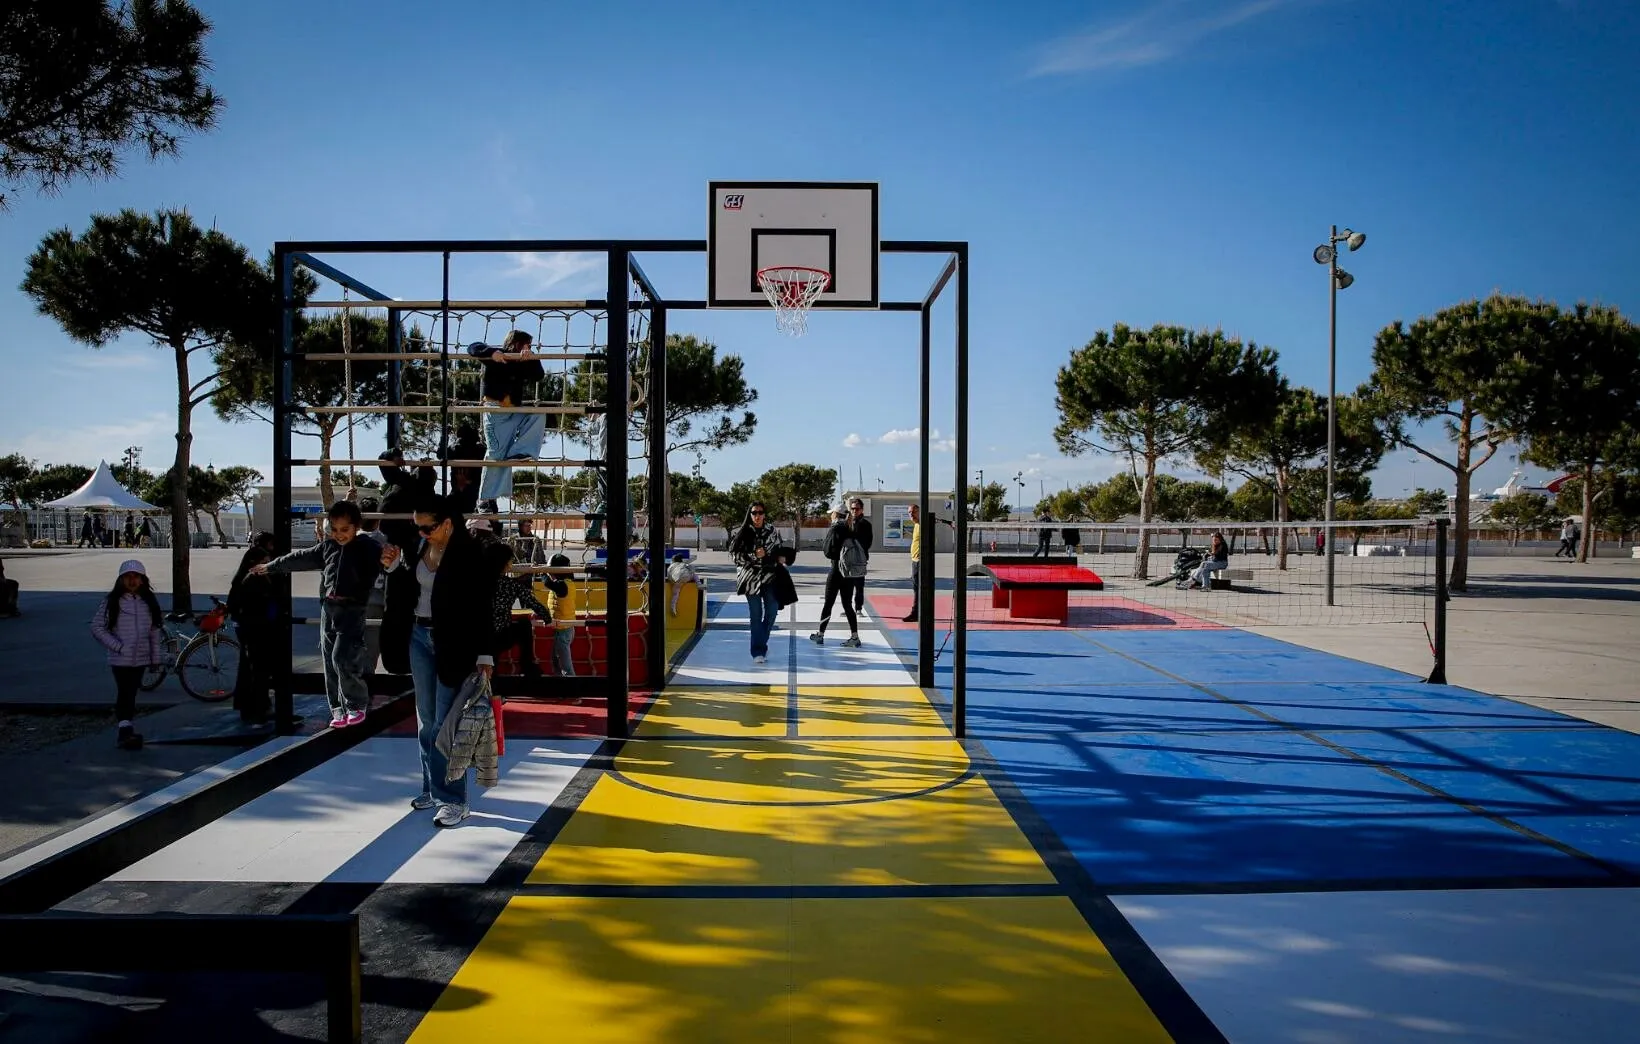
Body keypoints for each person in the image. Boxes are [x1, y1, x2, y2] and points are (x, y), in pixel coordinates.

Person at [381, 494, 497, 827]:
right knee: (426, 719)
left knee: (445, 724)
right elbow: (408, 587)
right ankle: (432, 789)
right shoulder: (418, 546)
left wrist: (485, 653)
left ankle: (454, 800)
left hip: (455, 643)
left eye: (427, 527)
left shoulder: (470, 553)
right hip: (419, 636)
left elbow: (482, 606)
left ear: (447, 523)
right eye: (417, 527)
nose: (421, 533)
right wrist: (393, 567)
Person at [254, 501, 381, 728]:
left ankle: (356, 704)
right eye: (335, 529)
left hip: (352, 609)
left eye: (345, 529)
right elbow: (299, 558)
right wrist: (271, 566)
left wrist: (389, 561)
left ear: (356, 527)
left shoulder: (367, 546)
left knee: (342, 657)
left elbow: (387, 563)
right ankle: (338, 709)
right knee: (329, 660)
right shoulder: (328, 547)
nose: (339, 535)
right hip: (328, 608)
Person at [89, 559, 165, 750]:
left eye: (136, 576)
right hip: (120, 658)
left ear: (143, 579)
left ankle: (127, 729)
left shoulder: (149, 602)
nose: (132, 581)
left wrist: (155, 658)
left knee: (131, 692)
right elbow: (97, 627)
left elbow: (154, 631)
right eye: (128, 577)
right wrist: (117, 646)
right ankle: (125, 731)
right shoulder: (112, 601)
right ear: (120, 579)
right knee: (126, 691)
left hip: (141, 657)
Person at [468, 331, 545, 511]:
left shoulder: (523, 361)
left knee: (539, 413)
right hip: (495, 411)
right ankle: (485, 500)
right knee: (496, 454)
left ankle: (522, 452)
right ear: (516, 343)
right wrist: (490, 353)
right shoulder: (497, 355)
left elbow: (539, 375)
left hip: (514, 411)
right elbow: (472, 347)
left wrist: (533, 358)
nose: (528, 348)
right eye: (526, 344)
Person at [484, 539, 562, 677]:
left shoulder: (477, 583)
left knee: (489, 665)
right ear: (504, 564)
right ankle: (527, 665)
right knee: (524, 624)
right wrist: (547, 618)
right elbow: (532, 602)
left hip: (479, 637)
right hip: (500, 636)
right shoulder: (511, 585)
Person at [227, 533, 278, 726]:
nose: (267, 565)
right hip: (255, 629)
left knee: (254, 669)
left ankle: (256, 706)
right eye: (264, 562)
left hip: (254, 629)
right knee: (257, 670)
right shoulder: (252, 580)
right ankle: (257, 708)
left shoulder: (252, 578)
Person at [732, 502, 784, 664]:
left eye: (760, 512)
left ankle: (761, 643)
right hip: (750, 578)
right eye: (754, 512)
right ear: (750, 514)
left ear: (764, 514)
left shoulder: (772, 531)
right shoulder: (742, 532)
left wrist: (777, 557)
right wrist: (755, 555)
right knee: (756, 614)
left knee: (772, 611)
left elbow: (778, 550)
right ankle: (758, 651)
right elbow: (736, 557)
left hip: (770, 576)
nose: (757, 516)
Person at [810, 509, 863, 648]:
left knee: (828, 603)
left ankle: (820, 634)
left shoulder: (835, 528)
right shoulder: (849, 528)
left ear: (835, 515)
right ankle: (855, 637)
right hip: (848, 573)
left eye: (832, 513)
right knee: (847, 605)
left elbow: (828, 551)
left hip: (836, 571)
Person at [902, 504, 953, 623]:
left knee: (920, 589)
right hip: (915, 561)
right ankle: (919, 613)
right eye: (909, 512)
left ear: (919, 512)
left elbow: (935, 527)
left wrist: (949, 522)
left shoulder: (923, 524)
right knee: (917, 588)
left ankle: (916, 613)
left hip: (921, 561)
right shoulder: (916, 525)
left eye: (914, 512)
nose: (911, 514)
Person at [356, 498, 389, 678]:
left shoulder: (351, 540)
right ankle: (366, 684)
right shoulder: (385, 540)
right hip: (376, 601)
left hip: (354, 602)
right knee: (370, 650)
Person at [543, 553, 578, 676]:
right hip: (565, 628)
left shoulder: (563, 586)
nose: (550, 574)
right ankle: (560, 683)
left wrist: (543, 573)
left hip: (563, 630)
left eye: (551, 571)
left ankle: (571, 684)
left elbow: (548, 583)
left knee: (565, 666)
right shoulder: (567, 583)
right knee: (556, 660)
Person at [846, 497, 874, 615]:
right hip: (847, 559)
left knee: (859, 585)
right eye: (852, 508)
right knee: (847, 585)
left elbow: (868, 542)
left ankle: (858, 608)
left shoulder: (866, 524)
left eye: (857, 509)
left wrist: (858, 549)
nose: (854, 511)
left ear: (862, 510)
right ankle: (847, 608)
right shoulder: (847, 522)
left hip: (859, 559)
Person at [666, 551, 699, 616]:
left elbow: (669, 575)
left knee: (675, 594)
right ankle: (698, 583)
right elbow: (692, 569)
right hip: (685, 577)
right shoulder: (683, 564)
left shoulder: (671, 566)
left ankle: (673, 607)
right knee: (694, 575)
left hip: (675, 580)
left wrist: (671, 580)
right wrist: (691, 572)